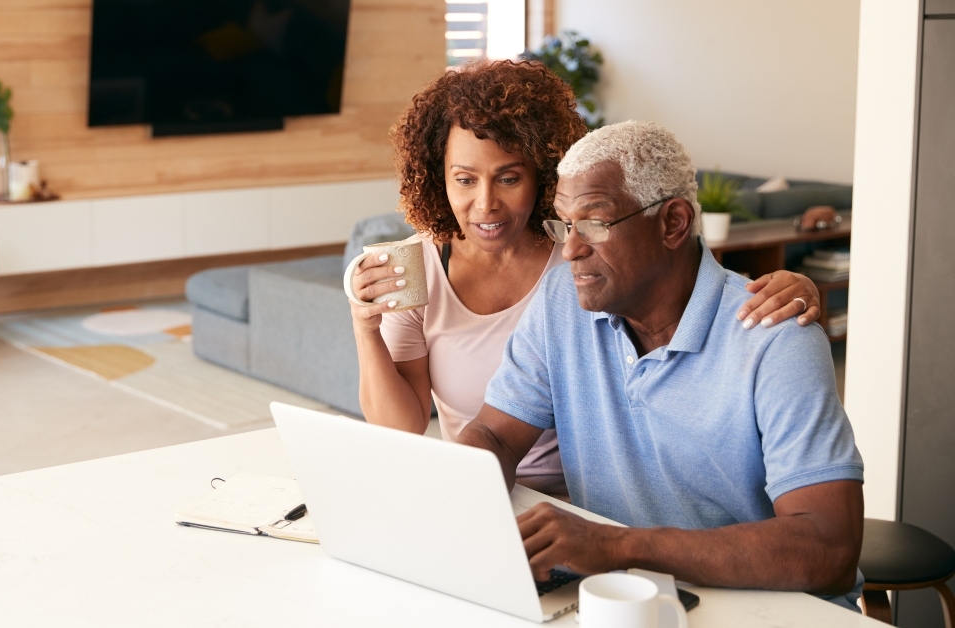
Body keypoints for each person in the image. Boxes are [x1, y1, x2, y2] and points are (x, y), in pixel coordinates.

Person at [348, 60, 824, 495]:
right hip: (493, 482)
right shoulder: (421, 268)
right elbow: (406, 426)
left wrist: (793, 287)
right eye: (465, 179)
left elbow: (691, 286)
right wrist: (365, 329)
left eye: (509, 177)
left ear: (544, 176)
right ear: (440, 178)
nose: (486, 203)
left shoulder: (585, 253)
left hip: (599, 494)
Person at [457, 120, 864, 609]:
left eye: (593, 223)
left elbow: (829, 548)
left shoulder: (775, 337)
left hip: (760, 607)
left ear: (672, 222)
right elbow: (496, 435)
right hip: (624, 597)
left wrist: (616, 546)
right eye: (564, 224)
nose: (570, 249)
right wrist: (463, 510)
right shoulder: (561, 302)